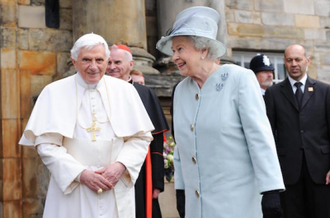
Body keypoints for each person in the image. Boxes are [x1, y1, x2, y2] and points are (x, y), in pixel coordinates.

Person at [156, 6, 285, 218]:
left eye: (180, 49)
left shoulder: (239, 79)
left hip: (237, 204)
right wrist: (180, 190)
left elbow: (259, 138)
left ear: (203, 49)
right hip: (197, 208)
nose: (174, 58)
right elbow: (181, 148)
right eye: (173, 51)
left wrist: (271, 190)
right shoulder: (180, 90)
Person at [19, 33, 154, 218]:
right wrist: (80, 174)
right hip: (73, 189)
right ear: (74, 61)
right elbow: (46, 144)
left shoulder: (126, 91)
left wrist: (121, 166)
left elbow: (141, 138)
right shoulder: (53, 92)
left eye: (99, 60)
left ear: (107, 61)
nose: (93, 66)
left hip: (114, 186)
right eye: (86, 60)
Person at [264, 44, 330, 218]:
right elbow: (268, 134)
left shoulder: (324, 91)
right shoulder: (273, 93)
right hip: (287, 173)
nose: (294, 64)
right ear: (284, 63)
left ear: (307, 61)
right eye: (289, 60)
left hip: (321, 171)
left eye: (298, 59)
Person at [106, 44, 169, 218]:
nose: (112, 67)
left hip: (139, 169)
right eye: (108, 62)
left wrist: (157, 182)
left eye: (117, 62)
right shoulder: (96, 91)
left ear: (131, 65)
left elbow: (156, 142)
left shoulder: (145, 94)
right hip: (104, 166)